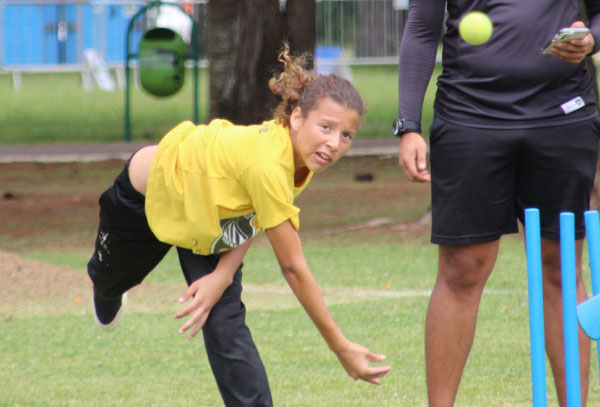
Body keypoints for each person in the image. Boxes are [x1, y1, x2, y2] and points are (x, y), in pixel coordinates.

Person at [87, 45, 391, 406]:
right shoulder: (268, 163)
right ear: (296, 119)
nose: (334, 143)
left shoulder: (301, 160)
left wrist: (223, 275)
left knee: (225, 324)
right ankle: (109, 287)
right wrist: (339, 346)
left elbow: (254, 213)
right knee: (108, 283)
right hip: (148, 198)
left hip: (210, 221)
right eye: (326, 127)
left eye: (346, 135)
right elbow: (293, 267)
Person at [395, 1, 600, 406]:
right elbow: (422, 28)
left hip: (562, 115)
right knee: (462, 269)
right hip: (470, 116)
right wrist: (409, 124)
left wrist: (593, 39)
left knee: (559, 267)